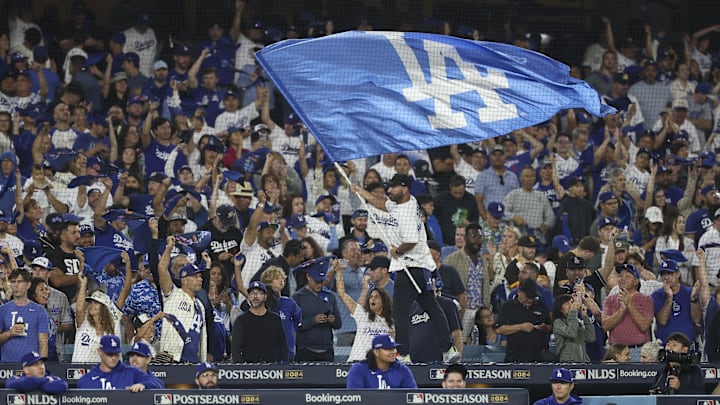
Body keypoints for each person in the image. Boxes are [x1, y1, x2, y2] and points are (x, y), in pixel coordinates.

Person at [350, 173, 451, 359]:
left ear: (404, 188)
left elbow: (411, 240)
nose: (389, 190)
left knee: (400, 311)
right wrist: (360, 191)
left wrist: (397, 251)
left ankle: (404, 354)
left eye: (393, 187)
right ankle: (449, 348)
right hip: (421, 267)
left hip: (410, 267)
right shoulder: (406, 202)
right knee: (431, 305)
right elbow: (382, 203)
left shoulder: (405, 213)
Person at [334, 259, 394, 362]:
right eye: (371, 297)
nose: (372, 299)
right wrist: (339, 272)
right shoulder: (362, 314)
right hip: (358, 362)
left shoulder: (391, 323)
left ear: (384, 301)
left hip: (378, 366)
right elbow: (342, 293)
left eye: (376, 297)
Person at [292, 256, 342, 361]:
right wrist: (313, 321)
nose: (319, 284)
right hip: (305, 350)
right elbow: (294, 325)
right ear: (308, 276)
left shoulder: (330, 296)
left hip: (327, 350)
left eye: (321, 281)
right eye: (316, 281)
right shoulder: (298, 297)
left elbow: (338, 324)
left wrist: (332, 320)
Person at [77, 335, 163, 391]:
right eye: (109, 354)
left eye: (116, 354)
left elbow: (159, 384)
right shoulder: (86, 380)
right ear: (100, 351)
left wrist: (143, 385)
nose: (113, 357)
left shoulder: (132, 372)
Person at [495, 278, 552, 362]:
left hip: (539, 358)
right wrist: (521, 327)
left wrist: (545, 328)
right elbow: (499, 329)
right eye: (527, 297)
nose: (530, 300)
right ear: (519, 292)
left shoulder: (541, 306)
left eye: (532, 297)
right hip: (515, 357)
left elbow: (551, 327)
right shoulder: (508, 306)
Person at [231, 281, 288, 363]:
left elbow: (283, 346)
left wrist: (281, 366)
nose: (255, 296)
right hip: (249, 370)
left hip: (272, 369)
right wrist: (242, 368)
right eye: (252, 293)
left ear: (265, 297)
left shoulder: (275, 319)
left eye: (259, 293)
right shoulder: (241, 320)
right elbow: (235, 349)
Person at [0, 268, 49, 362]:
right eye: (13, 282)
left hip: (31, 366)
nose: (16, 285)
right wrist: (9, 333)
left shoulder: (39, 311)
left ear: (28, 285)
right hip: (7, 366)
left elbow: (43, 343)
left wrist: (42, 366)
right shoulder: (2, 310)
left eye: (20, 281)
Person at [346, 334, 417, 389]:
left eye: (394, 348)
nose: (394, 352)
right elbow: (354, 397)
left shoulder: (402, 369)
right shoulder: (359, 369)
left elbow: (412, 395)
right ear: (376, 352)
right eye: (388, 349)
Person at [552, 294, 595, 362]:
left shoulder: (576, 321)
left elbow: (590, 337)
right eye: (567, 304)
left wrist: (585, 317)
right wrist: (573, 312)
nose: (571, 306)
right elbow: (571, 333)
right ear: (560, 309)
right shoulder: (558, 322)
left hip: (583, 360)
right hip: (568, 361)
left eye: (572, 303)